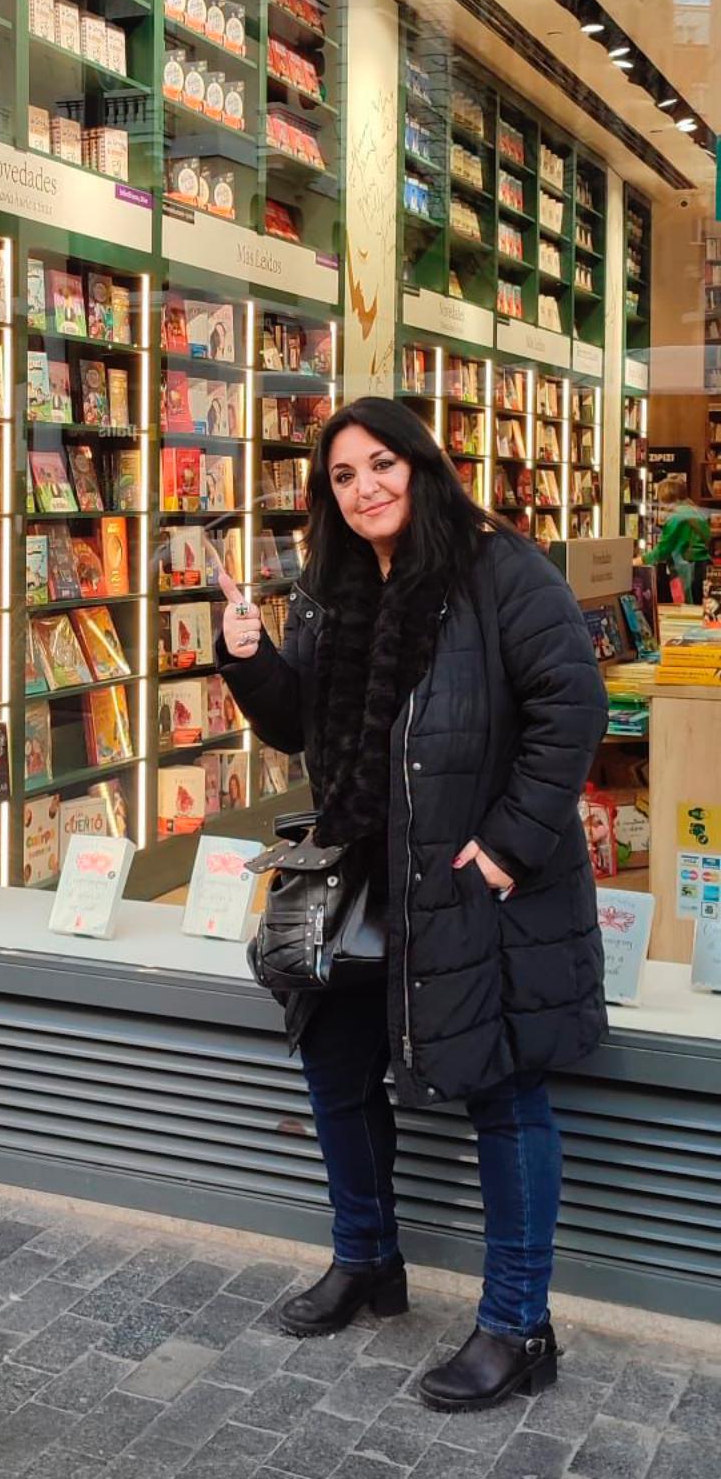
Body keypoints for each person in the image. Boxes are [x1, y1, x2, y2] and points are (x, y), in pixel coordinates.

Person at [217, 396, 608, 1413]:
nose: (365, 489)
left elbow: (575, 705)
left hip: (473, 881)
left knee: (504, 1093)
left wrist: (509, 844)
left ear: (422, 466)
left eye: (381, 464)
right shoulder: (334, 590)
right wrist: (248, 653)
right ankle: (368, 1260)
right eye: (343, 476)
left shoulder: (498, 569)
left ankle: (520, 1324)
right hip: (361, 880)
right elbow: (303, 721)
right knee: (337, 1066)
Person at [644, 476, 710, 604]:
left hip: (686, 571)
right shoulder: (696, 512)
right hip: (702, 567)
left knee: (687, 611)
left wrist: (639, 560)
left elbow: (662, 550)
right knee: (699, 611)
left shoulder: (676, 518)